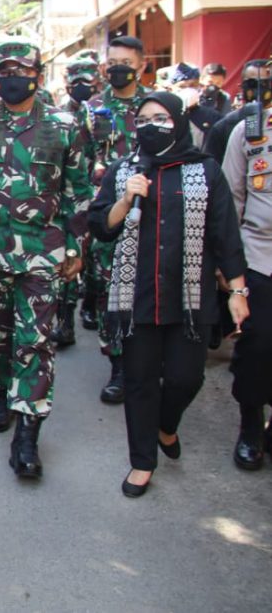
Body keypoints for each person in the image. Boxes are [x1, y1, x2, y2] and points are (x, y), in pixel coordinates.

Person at [0, 40, 92, 480]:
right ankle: (1, 391)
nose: (11, 77)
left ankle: (27, 434)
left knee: (36, 341)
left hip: (43, 256)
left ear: (37, 76)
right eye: (4, 71)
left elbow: (79, 191)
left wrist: (76, 245)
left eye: (20, 70)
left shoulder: (65, 126)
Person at [90, 92, 248, 497]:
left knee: (186, 378)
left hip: (190, 298)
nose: (150, 125)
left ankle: (166, 424)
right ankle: (142, 462)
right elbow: (101, 227)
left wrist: (236, 289)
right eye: (142, 118)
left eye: (160, 117)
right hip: (136, 294)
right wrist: (126, 197)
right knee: (140, 381)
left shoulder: (205, 170)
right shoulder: (124, 169)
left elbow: (225, 234)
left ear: (178, 121)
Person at [88, 35, 151, 403]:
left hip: (150, 212)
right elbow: (80, 163)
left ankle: (145, 363)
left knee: (144, 289)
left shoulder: (157, 107)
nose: (118, 68)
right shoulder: (93, 108)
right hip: (107, 215)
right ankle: (118, 368)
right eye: (112, 62)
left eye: (126, 62)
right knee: (109, 290)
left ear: (141, 66)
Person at [223, 68, 272, 470]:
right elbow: (231, 199)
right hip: (261, 259)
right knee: (258, 348)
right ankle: (251, 423)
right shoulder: (251, 132)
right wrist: (230, 269)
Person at [51, 58, 102, 348]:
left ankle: (92, 305)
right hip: (71, 196)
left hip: (104, 196)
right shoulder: (59, 116)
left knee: (98, 261)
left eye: (88, 80)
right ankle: (66, 322)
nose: (82, 86)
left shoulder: (101, 112)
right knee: (70, 257)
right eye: (77, 80)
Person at [206, 59, 271, 164]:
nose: (259, 90)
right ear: (241, 87)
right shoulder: (224, 127)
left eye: (265, 83)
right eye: (252, 84)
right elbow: (213, 171)